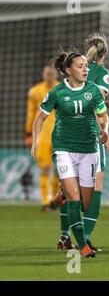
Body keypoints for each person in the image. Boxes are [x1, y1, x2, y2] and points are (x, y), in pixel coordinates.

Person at [32, 50, 109, 258]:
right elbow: (40, 118)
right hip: (64, 150)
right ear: (68, 70)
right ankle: (83, 246)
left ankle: (63, 194)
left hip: (89, 150)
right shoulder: (57, 93)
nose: (86, 69)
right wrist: (36, 139)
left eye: (86, 66)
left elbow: (103, 115)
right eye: (80, 66)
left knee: (85, 203)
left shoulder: (93, 90)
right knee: (74, 199)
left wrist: (105, 130)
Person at [56, 34, 109, 252]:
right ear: (105, 54)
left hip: (66, 136)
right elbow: (96, 102)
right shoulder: (102, 73)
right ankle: (85, 239)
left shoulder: (74, 67)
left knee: (71, 191)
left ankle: (65, 236)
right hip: (92, 135)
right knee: (96, 189)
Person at [25, 64, 59, 212]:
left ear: (56, 75)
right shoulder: (35, 91)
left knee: (59, 170)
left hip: (60, 134)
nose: (49, 76)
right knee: (45, 169)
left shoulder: (62, 89)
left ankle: (56, 200)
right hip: (43, 136)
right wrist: (28, 133)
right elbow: (31, 113)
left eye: (51, 74)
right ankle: (46, 201)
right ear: (43, 75)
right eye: (47, 74)